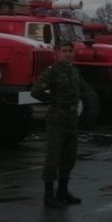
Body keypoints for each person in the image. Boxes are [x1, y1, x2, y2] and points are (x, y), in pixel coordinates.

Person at [30, 40, 84, 208]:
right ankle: (48, 195)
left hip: (71, 117)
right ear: (58, 53)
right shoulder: (52, 71)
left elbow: (80, 89)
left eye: (70, 51)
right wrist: (53, 100)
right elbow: (36, 91)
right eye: (64, 51)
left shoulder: (74, 71)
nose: (68, 54)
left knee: (69, 156)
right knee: (53, 157)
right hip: (57, 117)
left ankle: (62, 191)